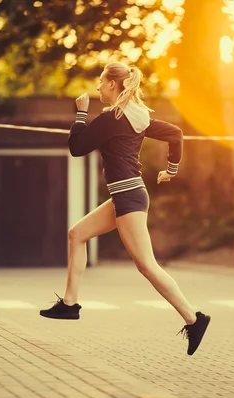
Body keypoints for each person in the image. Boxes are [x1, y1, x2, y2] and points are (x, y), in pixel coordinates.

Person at [39, 61, 211, 356]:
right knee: (76, 234)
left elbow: (77, 147)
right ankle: (70, 304)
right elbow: (176, 134)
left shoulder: (113, 119)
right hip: (126, 195)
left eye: (101, 82)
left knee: (146, 265)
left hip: (129, 197)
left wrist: (81, 113)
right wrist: (170, 169)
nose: (96, 88)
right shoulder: (137, 117)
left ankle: (193, 318)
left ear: (112, 85)